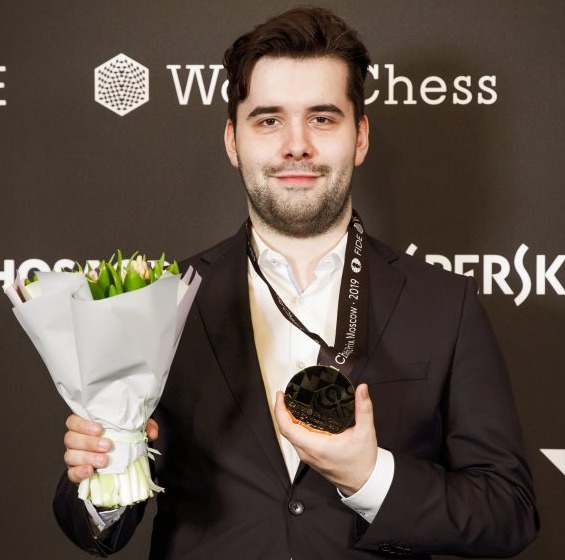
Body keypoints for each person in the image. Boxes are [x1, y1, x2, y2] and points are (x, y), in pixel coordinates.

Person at [54, 6, 538, 559]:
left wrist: (370, 475)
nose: (296, 145)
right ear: (234, 141)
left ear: (360, 137)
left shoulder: (445, 306)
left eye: (323, 118)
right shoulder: (160, 302)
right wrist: (103, 476)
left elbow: (509, 512)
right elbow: (91, 529)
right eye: (269, 120)